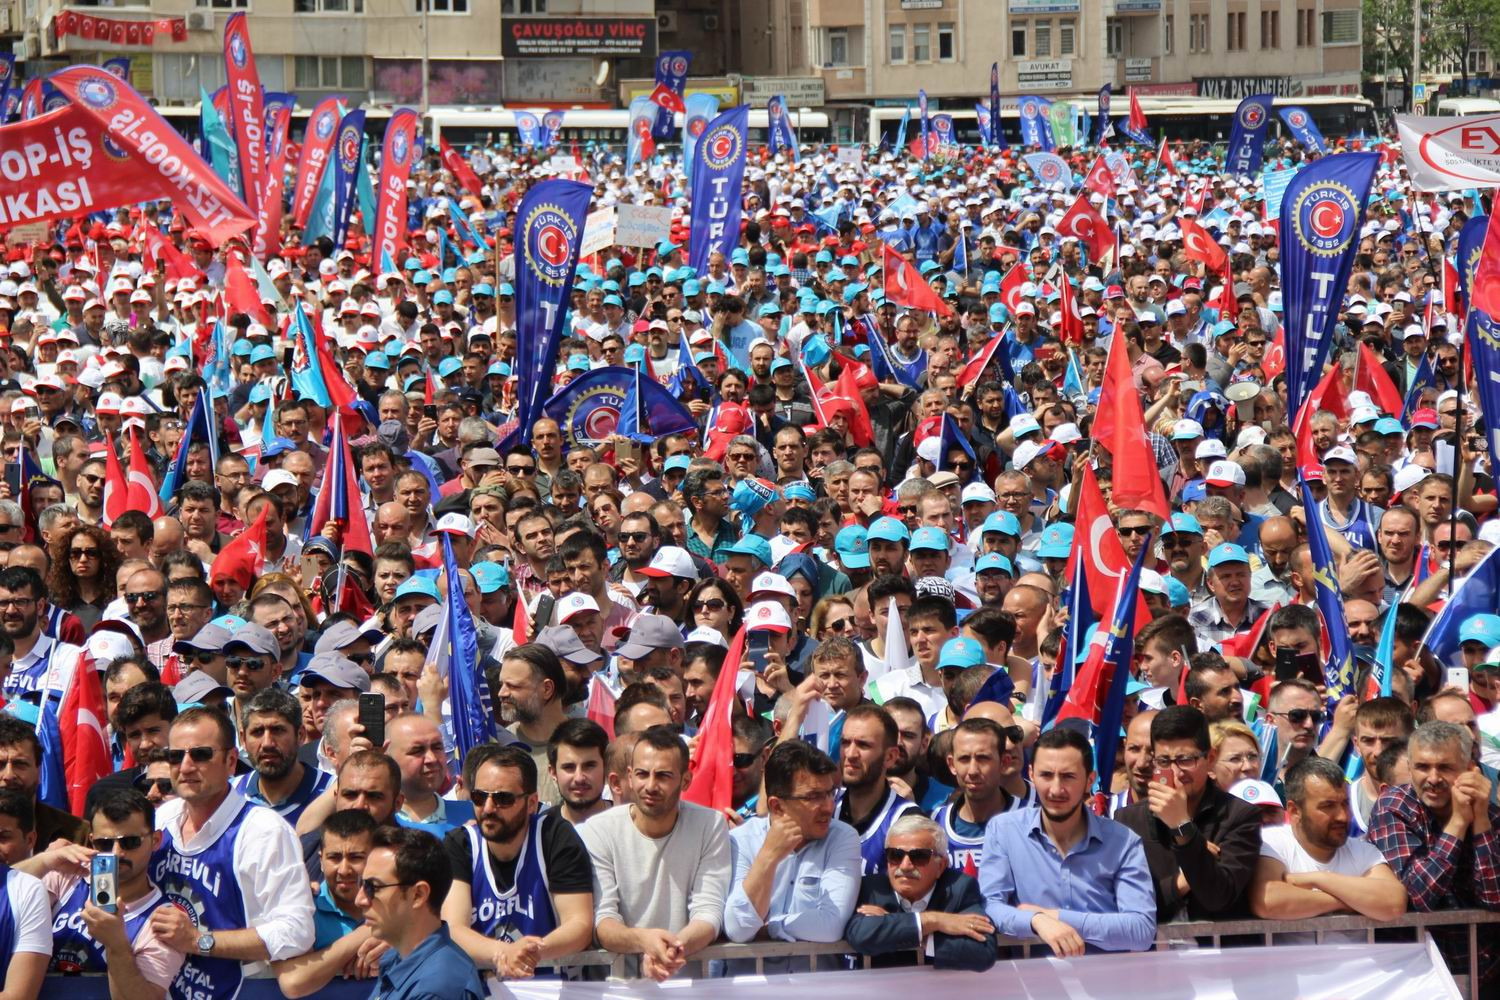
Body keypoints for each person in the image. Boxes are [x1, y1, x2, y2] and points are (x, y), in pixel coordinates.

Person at [148, 707, 315, 998]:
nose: (185, 766)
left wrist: (199, 941)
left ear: (230, 761)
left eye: (200, 754)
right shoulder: (163, 819)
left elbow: (296, 932)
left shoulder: (264, 831)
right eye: (175, 756)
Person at [978, 727, 1156, 955]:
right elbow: (990, 907)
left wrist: (1057, 918)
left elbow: (1140, 931)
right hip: (1032, 984)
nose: (1055, 789)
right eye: (1046, 775)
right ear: (1031, 774)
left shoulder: (1123, 842)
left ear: (1090, 780)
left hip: (1108, 984)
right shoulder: (1004, 831)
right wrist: (1037, 922)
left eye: (1068, 776)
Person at [578, 725, 731, 980]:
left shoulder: (710, 825)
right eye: (642, 774)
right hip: (618, 990)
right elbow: (603, 921)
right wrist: (645, 942)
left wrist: (669, 951)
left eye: (663, 776)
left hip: (686, 989)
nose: (650, 785)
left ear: (685, 780)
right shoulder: (598, 830)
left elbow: (709, 911)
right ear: (628, 776)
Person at [442, 744, 595, 978]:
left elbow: (579, 925)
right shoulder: (461, 844)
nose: (489, 808)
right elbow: (453, 928)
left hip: (547, 988)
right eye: (479, 797)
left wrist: (528, 953)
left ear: (532, 803)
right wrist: (503, 953)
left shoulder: (554, 837)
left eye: (503, 799)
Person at [1369, 720, 1500, 986]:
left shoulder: (1492, 814)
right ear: (1409, 767)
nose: (1433, 778)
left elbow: (1495, 898)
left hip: (1485, 972)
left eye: (1445, 767)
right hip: (1416, 976)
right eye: (1422, 767)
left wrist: (1481, 820)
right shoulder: (1394, 806)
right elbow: (1420, 895)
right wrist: (1459, 823)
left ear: (1469, 769)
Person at [20, 787, 183, 998]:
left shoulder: (164, 921)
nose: (116, 853)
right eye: (104, 843)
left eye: (130, 842)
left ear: (155, 841)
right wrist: (42, 862)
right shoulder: (68, 877)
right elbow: (6, 900)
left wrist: (117, 945)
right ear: (91, 840)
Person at [1115, 706, 1263, 922]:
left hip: (1222, 952)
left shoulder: (1241, 816)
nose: (1176, 772)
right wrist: (1181, 883)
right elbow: (1131, 906)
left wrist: (1182, 827)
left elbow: (1219, 896)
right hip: (1155, 953)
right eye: (1164, 762)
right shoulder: (1128, 820)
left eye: (1185, 760)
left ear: (1210, 758)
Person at [721, 740, 861, 968]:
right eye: (813, 797)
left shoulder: (843, 838)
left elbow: (831, 925)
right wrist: (769, 856)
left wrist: (772, 927)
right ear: (777, 806)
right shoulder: (741, 840)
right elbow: (738, 927)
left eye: (830, 793)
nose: (828, 807)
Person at [1248, 757, 1406, 935]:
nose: (1342, 816)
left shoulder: (1363, 850)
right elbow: (1268, 900)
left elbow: (1394, 902)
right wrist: (1349, 901)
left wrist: (1319, 879)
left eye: (1345, 804)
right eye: (1328, 806)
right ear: (1294, 811)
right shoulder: (1272, 842)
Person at [844, 814, 998, 971]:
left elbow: (983, 951)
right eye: (895, 855)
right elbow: (860, 934)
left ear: (941, 865)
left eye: (919, 857)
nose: (905, 866)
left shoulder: (960, 887)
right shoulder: (871, 889)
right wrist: (934, 921)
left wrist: (902, 929)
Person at [359, 826, 486, 1000]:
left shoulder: (437, 989)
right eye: (362, 883)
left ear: (418, 895)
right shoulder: (397, 960)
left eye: (373, 887)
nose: (360, 899)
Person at [837, 704, 920, 875]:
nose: (850, 754)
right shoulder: (826, 808)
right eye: (845, 743)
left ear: (890, 757)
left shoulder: (906, 820)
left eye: (863, 745)